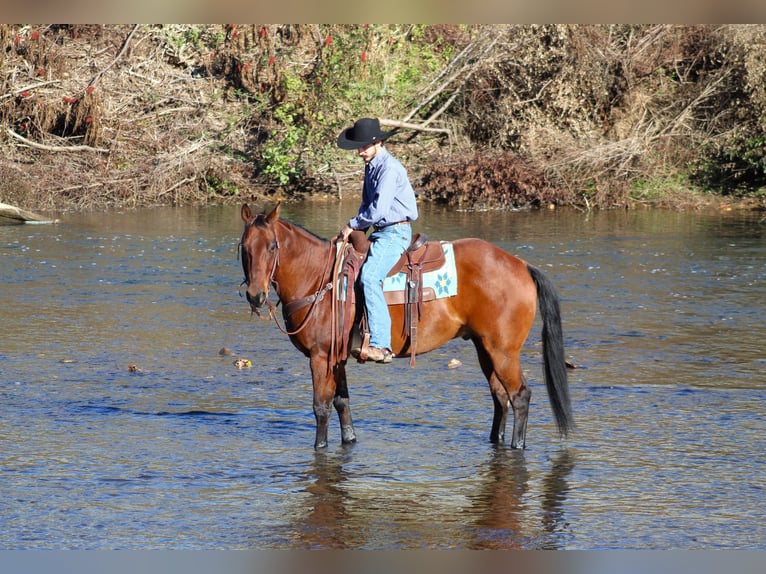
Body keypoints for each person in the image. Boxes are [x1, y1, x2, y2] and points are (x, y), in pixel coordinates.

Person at [337, 117, 419, 364]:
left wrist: (352, 224)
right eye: (358, 147)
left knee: (371, 277)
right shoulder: (371, 165)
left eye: (364, 147)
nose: (360, 152)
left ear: (378, 143)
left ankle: (382, 345)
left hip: (394, 232)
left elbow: (379, 210)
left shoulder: (389, 169)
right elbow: (366, 204)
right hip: (380, 231)